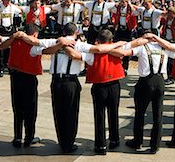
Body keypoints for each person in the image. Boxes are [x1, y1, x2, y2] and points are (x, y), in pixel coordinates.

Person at [35, 22, 124, 153]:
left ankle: (63, 141)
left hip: (56, 81)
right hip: (70, 81)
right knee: (71, 113)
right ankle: (69, 143)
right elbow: (97, 50)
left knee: (58, 112)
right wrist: (116, 43)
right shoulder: (77, 44)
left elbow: (40, 46)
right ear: (76, 33)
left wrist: (59, 44)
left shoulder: (55, 42)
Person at [110, 30, 175, 154]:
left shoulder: (141, 47)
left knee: (140, 112)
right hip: (160, 81)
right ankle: (154, 145)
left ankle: (137, 141)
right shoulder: (164, 48)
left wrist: (107, 49)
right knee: (158, 115)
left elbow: (124, 52)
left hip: (146, 82)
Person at [65, 29, 147, 155]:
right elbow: (136, 42)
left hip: (99, 86)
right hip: (114, 84)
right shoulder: (119, 48)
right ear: (111, 40)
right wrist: (149, 38)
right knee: (113, 112)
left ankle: (100, 145)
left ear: (98, 40)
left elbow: (76, 55)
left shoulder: (92, 52)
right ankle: (114, 140)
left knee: (99, 115)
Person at [0, 24, 74, 148]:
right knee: (30, 109)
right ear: (34, 34)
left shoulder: (14, 41)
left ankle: (17, 137)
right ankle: (29, 137)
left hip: (15, 77)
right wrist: (60, 44)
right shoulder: (34, 45)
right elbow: (48, 49)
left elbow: (2, 43)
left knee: (17, 108)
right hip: (28, 78)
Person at [111, 0, 137, 75]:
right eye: (121, 2)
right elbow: (111, 9)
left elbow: (134, 11)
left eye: (123, 2)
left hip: (127, 29)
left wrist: (129, 4)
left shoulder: (129, 8)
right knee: (115, 46)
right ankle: (116, 65)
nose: (122, 3)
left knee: (127, 47)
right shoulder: (119, 8)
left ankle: (125, 67)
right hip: (119, 29)